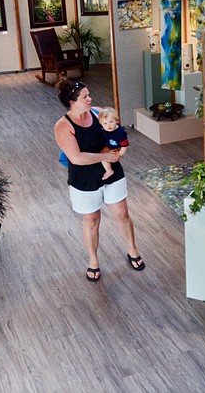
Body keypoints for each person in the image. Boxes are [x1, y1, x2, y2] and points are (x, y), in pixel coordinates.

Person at [53, 77, 145, 283]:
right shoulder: (62, 126)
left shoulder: (97, 112)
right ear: (72, 101)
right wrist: (104, 157)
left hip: (112, 171)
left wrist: (118, 149)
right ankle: (93, 261)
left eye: (88, 94)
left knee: (122, 214)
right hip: (84, 179)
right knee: (92, 220)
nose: (90, 98)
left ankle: (132, 250)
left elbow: (115, 133)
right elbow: (76, 158)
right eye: (85, 96)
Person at [97, 107, 129, 180]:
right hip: (109, 145)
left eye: (111, 122)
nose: (108, 125)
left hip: (117, 147)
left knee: (105, 157)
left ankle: (109, 170)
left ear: (116, 121)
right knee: (102, 155)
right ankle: (108, 168)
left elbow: (125, 146)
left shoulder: (121, 133)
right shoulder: (104, 128)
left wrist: (119, 154)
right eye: (105, 123)